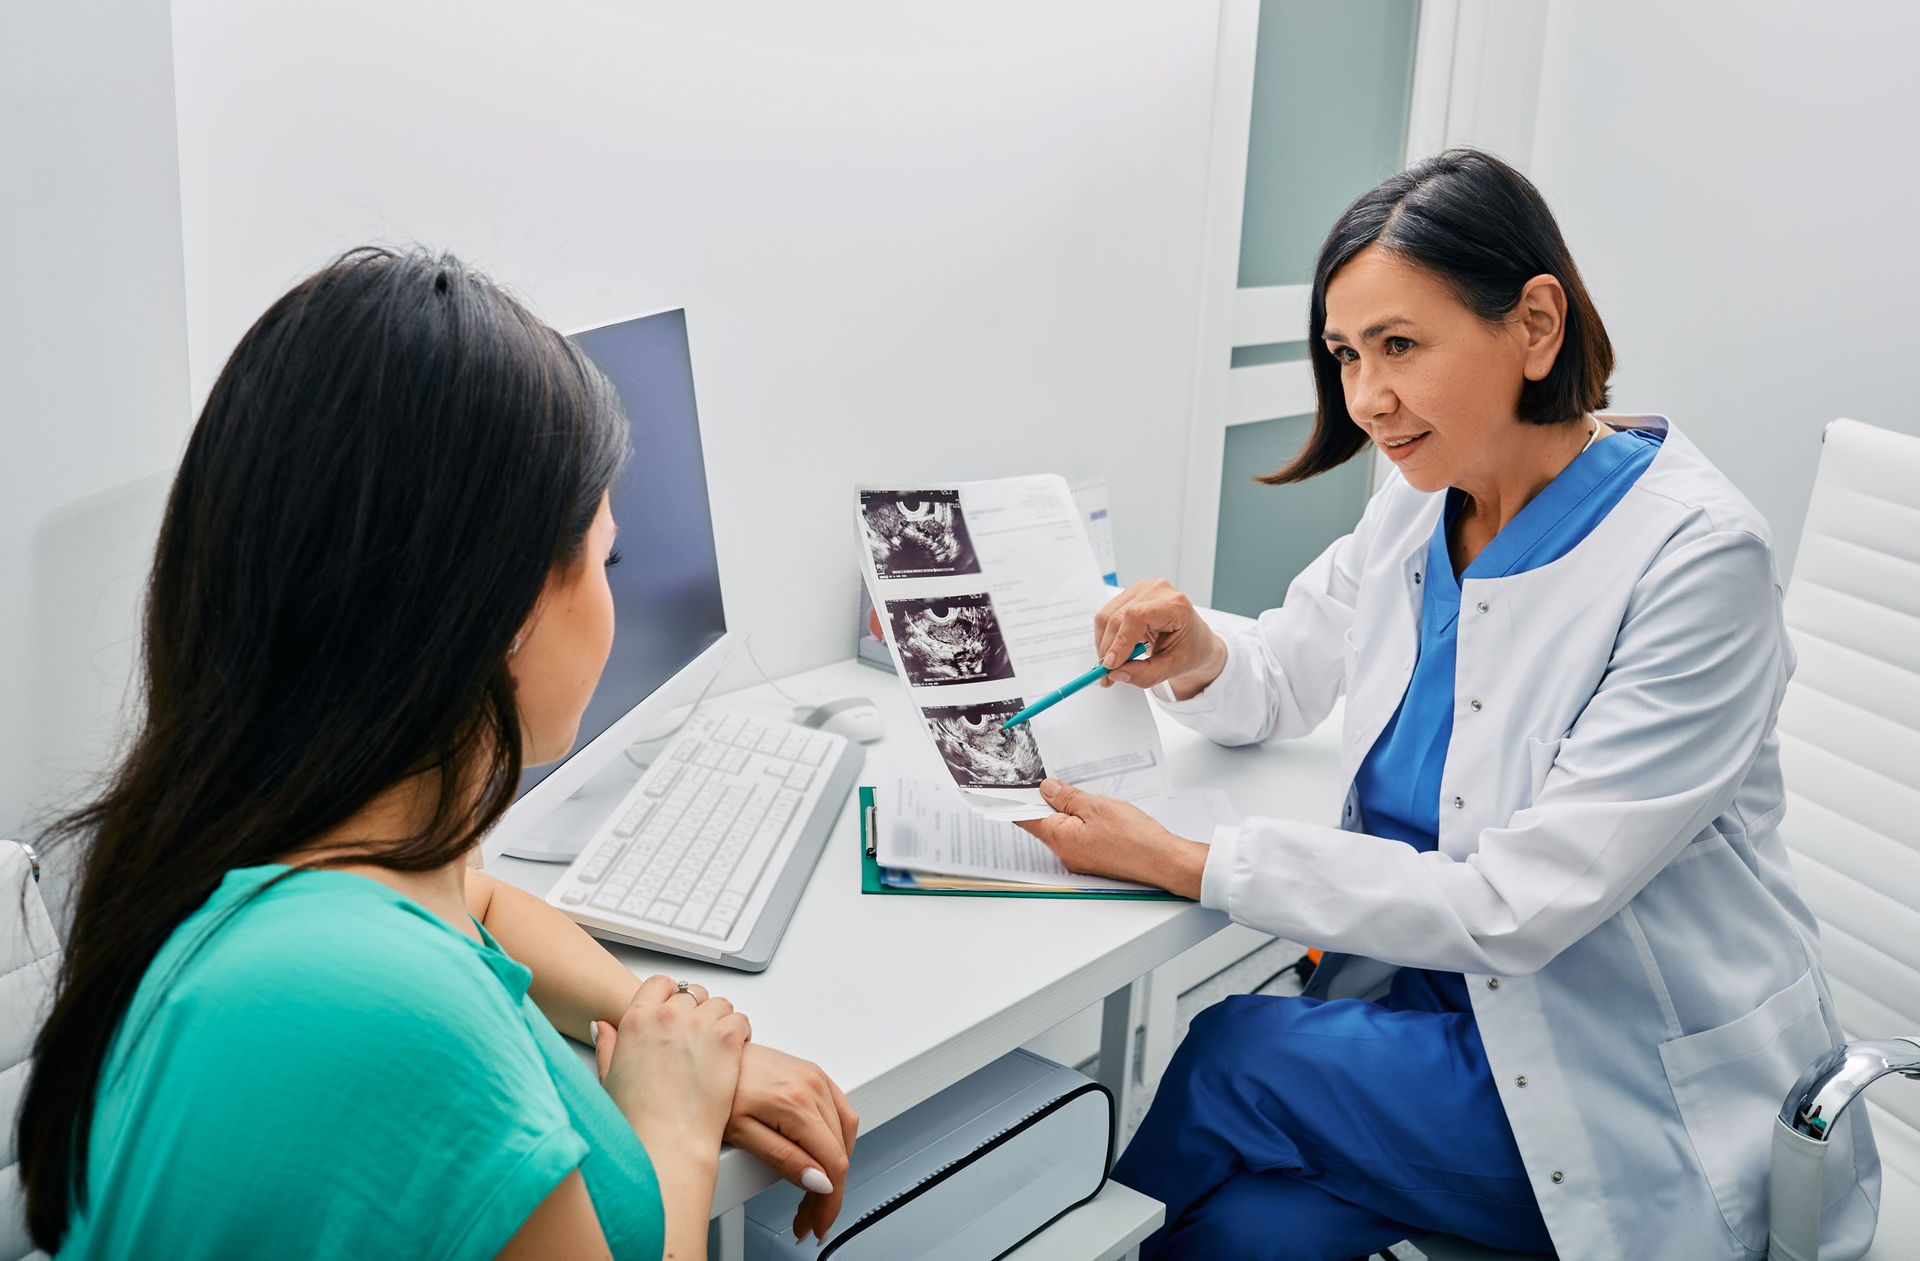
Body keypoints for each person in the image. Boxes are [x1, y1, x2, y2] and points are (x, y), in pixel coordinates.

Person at [1015, 150, 1881, 1260]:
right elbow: (1281, 675)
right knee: (1238, 1235)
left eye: (1400, 346)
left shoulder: (1694, 561)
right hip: (1444, 1025)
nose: (1368, 396)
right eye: (1346, 354)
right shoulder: (1422, 504)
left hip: (1623, 1087)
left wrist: (1195, 859)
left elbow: (1517, 904)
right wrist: (1195, 651)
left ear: (1533, 324)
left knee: (1241, 1050)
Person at [18, 248, 855, 1259]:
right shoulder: (395, 1020)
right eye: (606, 557)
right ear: (500, 608)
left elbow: (476, 900)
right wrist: (672, 1116)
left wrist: (653, 1012)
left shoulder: (257, 845)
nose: (613, 597)